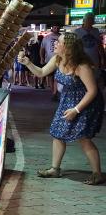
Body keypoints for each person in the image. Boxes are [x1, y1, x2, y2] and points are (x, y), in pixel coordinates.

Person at [20, 32, 104, 185]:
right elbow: (41, 72)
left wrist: (76, 110)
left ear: (68, 47)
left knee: (83, 137)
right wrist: (28, 63)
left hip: (85, 103)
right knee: (57, 133)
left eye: (59, 42)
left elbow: (92, 91)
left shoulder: (81, 66)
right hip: (67, 100)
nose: (55, 44)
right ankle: (55, 169)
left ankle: (97, 174)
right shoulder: (57, 59)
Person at [40, 25, 61, 100]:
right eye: (55, 27)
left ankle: (55, 92)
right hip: (49, 61)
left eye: (58, 27)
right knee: (50, 77)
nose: (56, 29)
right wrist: (42, 58)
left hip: (60, 61)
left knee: (57, 77)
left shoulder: (62, 37)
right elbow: (42, 49)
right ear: (52, 28)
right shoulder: (46, 38)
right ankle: (53, 92)